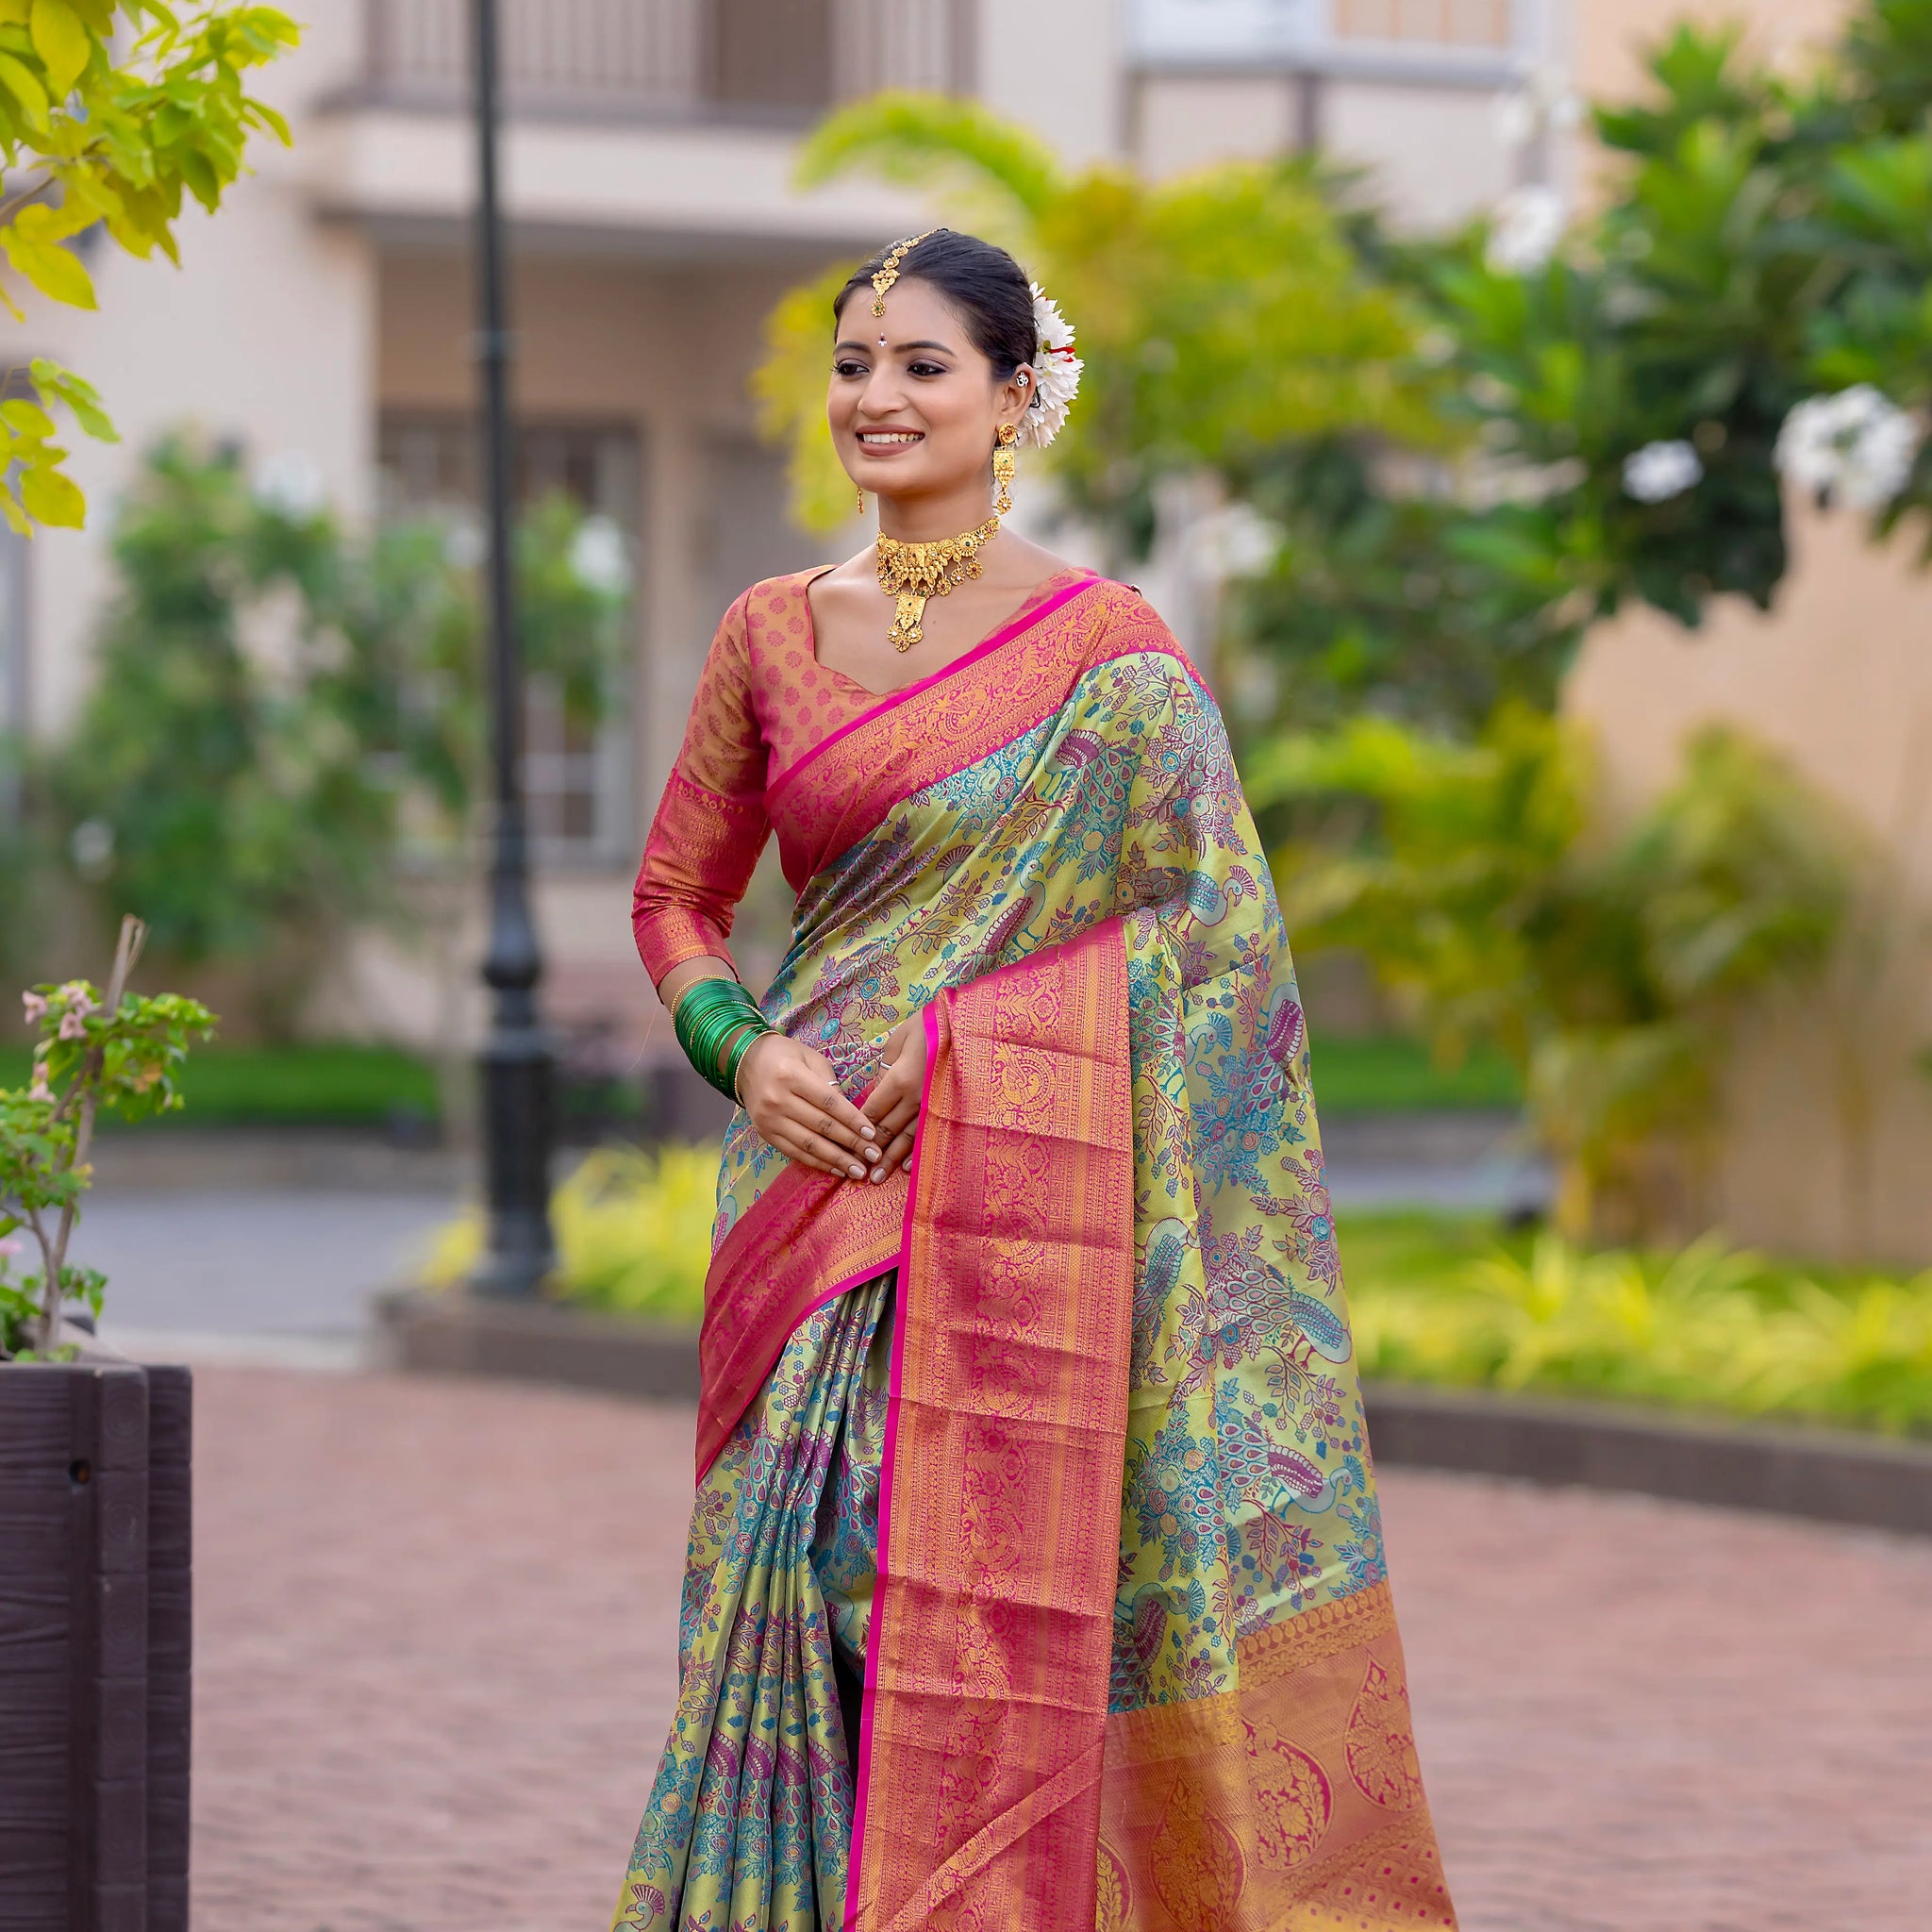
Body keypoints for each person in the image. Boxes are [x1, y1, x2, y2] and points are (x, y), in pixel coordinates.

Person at [616, 228, 1458, 1932]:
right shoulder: (770, 633)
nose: (876, 397)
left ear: (1017, 397)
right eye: (855, 364)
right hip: (809, 1201)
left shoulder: (1112, 656)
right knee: (811, 1579)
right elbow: (676, 900)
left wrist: (984, 1042)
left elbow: (1212, 938)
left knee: (973, 1596)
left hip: (1027, 1206)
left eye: (922, 365)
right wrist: (743, 1050)